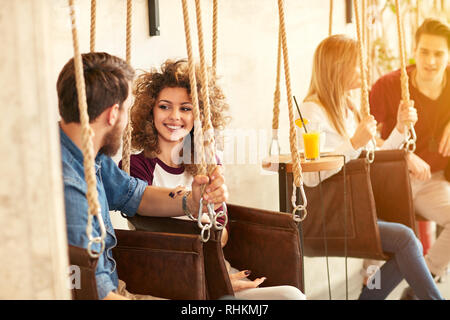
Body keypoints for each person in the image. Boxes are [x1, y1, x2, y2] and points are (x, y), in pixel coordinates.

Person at [120, 59, 306, 300]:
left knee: (291, 295)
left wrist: (212, 217)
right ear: (150, 110)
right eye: (165, 106)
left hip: (216, 270)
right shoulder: (135, 166)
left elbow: (223, 236)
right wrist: (193, 206)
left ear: (199, 115)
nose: (175, 116)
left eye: (186, 108)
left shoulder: (207, 161)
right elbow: (144, 219)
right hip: (170, 278)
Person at [58, 52, 228, 300]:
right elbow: (93, 292)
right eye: (127, 110)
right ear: (113, 114)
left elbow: (135, 195)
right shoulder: (71, 187)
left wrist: (192, 200)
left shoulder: (89, 156)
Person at [299, 34, 443, 300]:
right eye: (357, 64)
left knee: (404, 247)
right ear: (338, 67)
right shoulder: (310, 111)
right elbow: (310, 177)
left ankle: (370, 297)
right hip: (328, 216)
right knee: (407, 240)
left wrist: (399, 130)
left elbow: (372, 161)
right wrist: (354, 142)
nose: (364, 70)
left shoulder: (348, 107)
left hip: (355, 211)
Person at [370, 18, 450, 289]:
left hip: (432, 182)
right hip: (390, 182)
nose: (430, 61)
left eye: (439, 53)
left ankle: (423, 280)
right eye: (424, 51)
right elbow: (364, 136)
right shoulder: (390, 85)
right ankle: (371, 293)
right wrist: (403, 155)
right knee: (377, 252)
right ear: (414, 51)